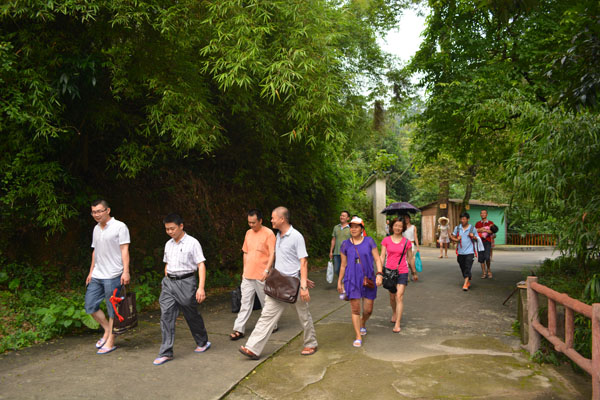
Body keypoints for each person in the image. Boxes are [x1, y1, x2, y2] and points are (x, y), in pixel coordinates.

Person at [239, 207, 318, 359]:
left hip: (294, 286)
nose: (271, 220)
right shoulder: (278, 235)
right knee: (266, 315)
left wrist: (303, 285)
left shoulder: (296, 236)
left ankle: (310, 343)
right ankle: (253, 348)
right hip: (278, 283)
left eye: (273, 218)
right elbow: (286, 259)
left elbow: (303, 261)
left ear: (282, 219)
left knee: (304, 316)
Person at [153, 213, 210, 365]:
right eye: (167, 229)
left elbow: (201, 265)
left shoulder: (192, 243)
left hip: (186, 282)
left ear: (181, 226)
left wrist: (201, 288)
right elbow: (167, 263)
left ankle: (202, 341)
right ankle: (166, 352)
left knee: (190, 313)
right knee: (166, 315)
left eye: (172, 228)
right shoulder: (168, 244)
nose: (170, 232)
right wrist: (166, 278)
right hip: (169, 283)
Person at [85, 199, 131, 354]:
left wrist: (125, 271)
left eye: (99, 211)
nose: (96, 215)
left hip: (113, 274)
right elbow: (95, 251)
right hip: (98, 274)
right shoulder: (96, 229)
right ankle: (106, 329)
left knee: (113, 310)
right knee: (90, 305)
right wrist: (91, 271)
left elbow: (125, 250)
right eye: (93, 212)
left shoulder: (120, 227)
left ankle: (111, 340)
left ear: (108, 210)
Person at [230, 209, 276, 341]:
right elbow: (245, 252)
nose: (251, 225)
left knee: (266, 302)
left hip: (263, 275)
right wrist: (244, 271)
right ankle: (239, 329)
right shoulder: (248, 233)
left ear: (260, 221)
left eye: (254, 223)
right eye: (249, 222)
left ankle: (272, 325)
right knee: (245, 302)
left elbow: (272, 253)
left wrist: (267, 271)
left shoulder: (269, 233)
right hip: (248, 275)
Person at [337, 217, 383, 347]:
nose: (353, 229)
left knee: (368, 310)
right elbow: (343, 265)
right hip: (351, 279)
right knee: (355, 309)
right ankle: (358, 336)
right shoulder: (345, 244)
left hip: (368, 278)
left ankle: (363, 322)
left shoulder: (369, 241)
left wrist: (379, 274)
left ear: (362, 229)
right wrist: (339, 281)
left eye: (357, 227)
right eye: (352, 227)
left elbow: (378, 259)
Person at [380, 218, 416, 333]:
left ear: (403, 228)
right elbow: (382, 257)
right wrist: (379, 272)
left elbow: (410, 258)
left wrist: (414, 272)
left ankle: (397, 323)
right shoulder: (386, 240)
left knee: (399, 296)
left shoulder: (407, 242)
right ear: (392, 226)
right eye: (396, 225)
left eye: (400, 226)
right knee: (392, 296)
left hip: (402, 271)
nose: (398, 228)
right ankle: (394, 312)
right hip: (389, 272)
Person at [450, 212, 477, 291]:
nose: (462, 220)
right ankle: (468, 276)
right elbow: (453, 237)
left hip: (470, 251)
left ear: (468, 219)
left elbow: (477, 238)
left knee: (468, 265)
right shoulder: (457, 228)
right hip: (460, 251)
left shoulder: (472, 228)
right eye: (461, 219)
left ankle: (465, 284)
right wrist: (455, 239)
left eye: (464, 219)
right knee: (462, 265)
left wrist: (473, 236)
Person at [329, 211, 351, 277]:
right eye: (341, 215)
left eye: (344, 216)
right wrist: (331, 251)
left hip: (347, 253)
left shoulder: (351, 228)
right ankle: (341, 280)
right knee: (336, 269)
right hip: (337, 252)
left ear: (348, 218)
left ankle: (344, 282)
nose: (342, 217)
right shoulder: (336, 227)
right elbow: (333, 239)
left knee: (346, 268)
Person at [476, 210, 495, 278]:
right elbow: (475, 230)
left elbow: (493, 231)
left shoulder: (490, 223)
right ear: (480, 215)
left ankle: (489, 270)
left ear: (486, 214)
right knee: (481, 258)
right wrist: (481, 230)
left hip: (487, 241)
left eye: (484, 213)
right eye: (481, 213)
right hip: (479, 242)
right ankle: (484, 272)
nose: (483, 214)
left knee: (487, 257)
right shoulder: (478, 223)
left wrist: (483, 230)